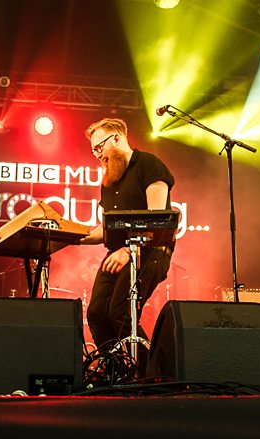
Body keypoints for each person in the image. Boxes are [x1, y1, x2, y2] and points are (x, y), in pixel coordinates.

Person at [78, 118, 175, 369]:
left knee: (121, 313)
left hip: (151, 251)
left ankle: (150, 375)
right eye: (94, 151)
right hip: (119, 253)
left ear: (117, 138)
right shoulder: (109, 180)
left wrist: (129, 250)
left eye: (100, 147)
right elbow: (105, 229)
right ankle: (117, 372)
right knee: (97, 314)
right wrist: (70, 236)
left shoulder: (149, 164)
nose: (98, 155)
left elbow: (157, 220)